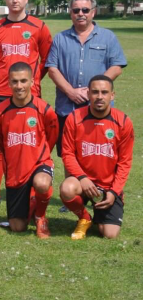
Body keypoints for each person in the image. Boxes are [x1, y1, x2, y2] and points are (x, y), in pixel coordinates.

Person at [0, 0, 52, 208]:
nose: (15, 0)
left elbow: (47, 60)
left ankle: (32, 188)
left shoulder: (39, 27)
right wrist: (6, 81)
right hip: (3, 93)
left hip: (32, 95)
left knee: (30, 142)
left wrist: (31, 83)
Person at [46, 0, 127, 166]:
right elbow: (52, 69)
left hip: (99, 109)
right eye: (76, 10)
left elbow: (117, 67)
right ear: (70, 13)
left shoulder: (108, 37)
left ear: (93, 12)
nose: (80, 13)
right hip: (68, 109)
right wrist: (71, 92)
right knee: (69, 155)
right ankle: (73, 192)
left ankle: (104, 190)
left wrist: (93, 90)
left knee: (100, 152)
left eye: (85, 10)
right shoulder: (60, 39)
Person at [59, 75, 134, 240]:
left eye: (104, 92)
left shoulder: (123, 122)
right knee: (67, 188)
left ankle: (107, 209)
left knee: (109, 234)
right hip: (83, 182)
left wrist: (114, 191)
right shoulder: (74, 118)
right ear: (88, 94)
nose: (99, 96)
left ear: (112, 95)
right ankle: (85, 218)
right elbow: (68, 153)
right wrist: (82, 178)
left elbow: (125, 162)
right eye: (95, 92)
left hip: (108, 186)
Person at [0, 62, 58, 239]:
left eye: (23, 81)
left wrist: (39, 154)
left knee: (42, 183)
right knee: (17, 227)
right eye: (15, 81)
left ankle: (40, 216)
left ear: (32, 82)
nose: (19, 86)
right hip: (15, 171)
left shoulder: (45, 109)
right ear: (9, 83)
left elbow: (52, 137)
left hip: (39, 163)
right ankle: (33, 201)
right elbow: (0, 141)